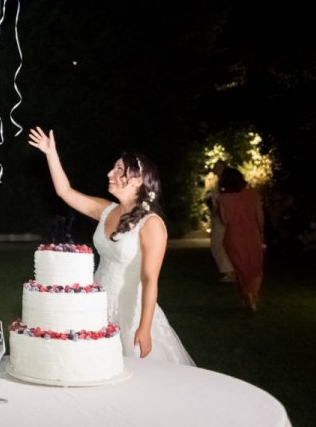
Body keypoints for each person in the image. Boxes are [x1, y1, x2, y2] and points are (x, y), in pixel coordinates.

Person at [28, 126, 195, 365]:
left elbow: (149, 279)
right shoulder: (106, 211)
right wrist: (50, 153)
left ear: (137, 180)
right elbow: (65, 192)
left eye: (119, 169)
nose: (109, 173)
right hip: (95, 305)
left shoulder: (151, 224)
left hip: (131, 312)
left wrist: (144, 327)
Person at [217, 166, 265, 313]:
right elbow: (259, 216)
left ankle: (248, 297)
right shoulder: (253, 194)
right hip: (252, 235)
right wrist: (261, 232)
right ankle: (252, 294)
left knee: (240, 270)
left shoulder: (223, 199)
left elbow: (225, 220)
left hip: (234, 236)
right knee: (255, 268)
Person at [208, 159, 236, 283]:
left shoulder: (225, 184)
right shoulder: (219, 184)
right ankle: (230, 271)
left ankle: (229, 272)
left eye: (220, 167)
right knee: (220, 244)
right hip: (218, 216)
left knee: (217, 245)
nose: (217, 169)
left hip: (221, 216)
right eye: (216, 167)